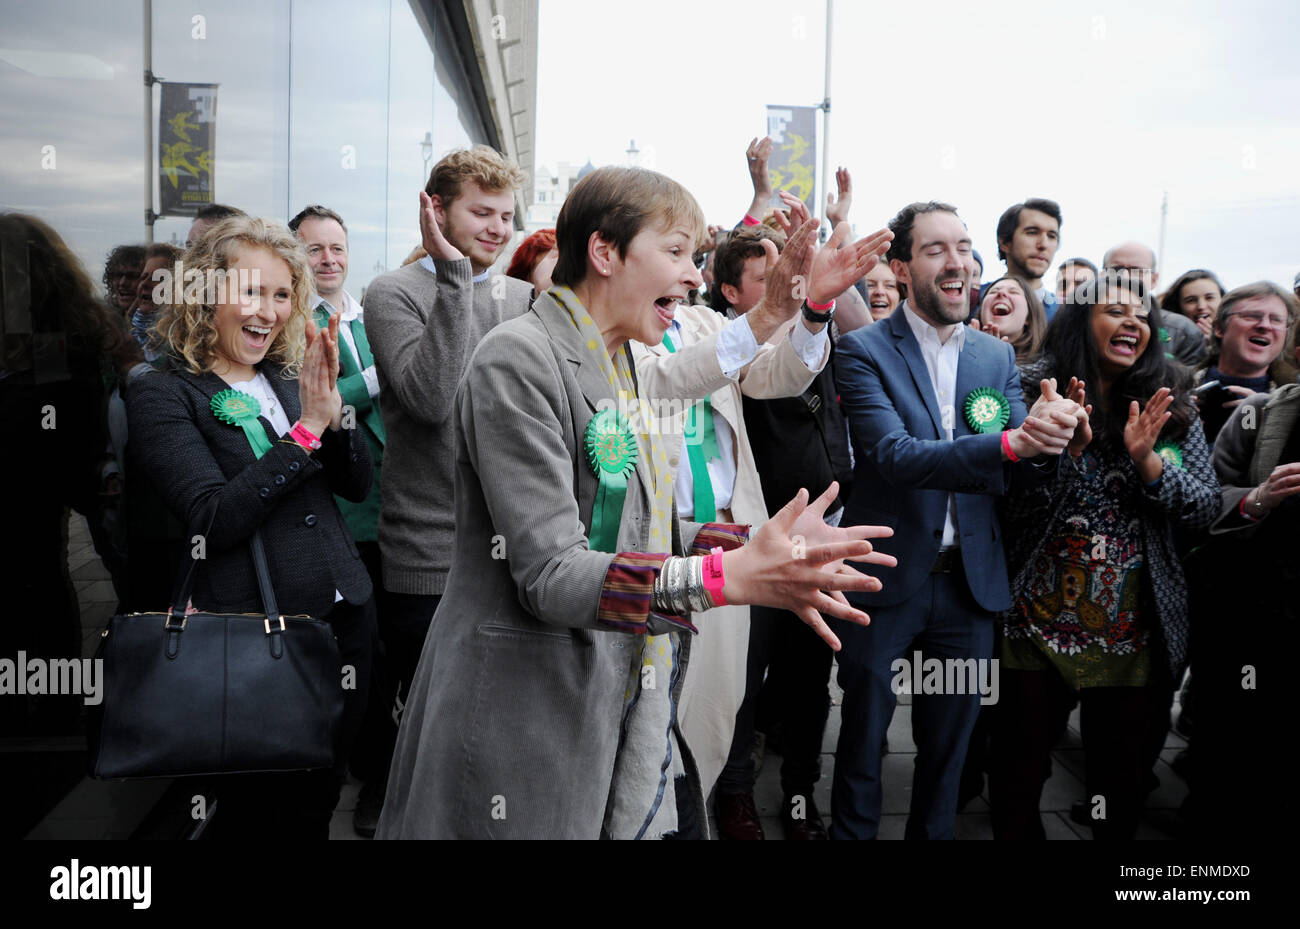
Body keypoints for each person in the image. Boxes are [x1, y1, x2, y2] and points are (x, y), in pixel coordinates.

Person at [375, 165, 896, 839]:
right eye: (676, 252)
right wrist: (723, 576)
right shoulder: (518, 358)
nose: (691, 274)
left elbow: (643, 504)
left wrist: (755, 549)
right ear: (604, 252)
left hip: (607, 688)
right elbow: (551, 574)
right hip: (520, 707)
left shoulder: (617, 359)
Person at [830, 200, 1083, 840]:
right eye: (936, 248)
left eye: (965, 247)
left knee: (948, 754)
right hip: (882, 579)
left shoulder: (995, 361)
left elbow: (1017, 475)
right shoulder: (862, 351)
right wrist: (1010, 445)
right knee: (861, 742)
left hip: (969, 588)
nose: (957, 262)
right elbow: (894, 457)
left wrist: (1057, 444)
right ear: (901, 265)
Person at [126, 215, 374, 838]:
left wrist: (333, 414)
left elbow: (356, 485)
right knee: (259, 815)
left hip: (343, 619)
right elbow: (213, 517)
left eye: (282, 293)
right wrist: (306, 432)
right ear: (207, 293)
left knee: (319, 797)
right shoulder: (161, 391)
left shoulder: (287, 375)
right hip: (255, 636)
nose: (268, 309)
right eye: (251, 291)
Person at [657, 212, 889, 839]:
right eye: (676, 251)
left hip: (759, 538)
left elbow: (778, 374)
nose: (690, 269)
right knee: (692, 697)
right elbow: (673, 382)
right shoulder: (632, 339)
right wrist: (783, 309)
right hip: (673, 551)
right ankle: (710, 801)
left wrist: (814, 309)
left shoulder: (702, 323)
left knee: (769, 682)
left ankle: (762, 797)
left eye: (692, 254)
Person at [990, 271, 1220, 839]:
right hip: (1033, 628)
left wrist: (1149, 463)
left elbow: (1204, 509)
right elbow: (1002, 509)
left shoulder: (1175, 407)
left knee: (1117, 783)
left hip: (1132, 637)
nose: (1133, 322)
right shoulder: (1029, 394)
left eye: (1142, 314)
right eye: (1115, 310)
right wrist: (1059, 458)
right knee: (1017, 772)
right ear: (1079, 323)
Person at [363, 146, 533, 778]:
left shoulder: (525, 299)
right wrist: (455, 277)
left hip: (516, 552)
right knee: (432, 734)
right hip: (430, 556)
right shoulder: (393, 294)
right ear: (435, 212)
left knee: (494, 736)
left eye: (505, 216)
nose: (496, 228)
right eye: (480, 212)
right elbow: (433, 401)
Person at [289, 203, 392, 837]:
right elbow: (316, 399)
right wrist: (376, 381)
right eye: (314, 249)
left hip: (390, 504)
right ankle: (354, 765)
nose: (328, 259)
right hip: (334, 513)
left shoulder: (372, 318)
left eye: (336, 247)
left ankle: (375, 766)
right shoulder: (289, 324)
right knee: (353, 654)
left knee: (382, 653)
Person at [1192, 377, 1300, 837]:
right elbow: (1204, 499)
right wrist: (1259, 499)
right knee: (1234, 748)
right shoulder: (1262, 412)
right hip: (1248, 615)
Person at [1191, 281, 1296, 443]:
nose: (1265, 325)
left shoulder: (1294, 400)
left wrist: (1270, 425)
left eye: (1276, 320)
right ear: (1219, 328)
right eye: (1252, 316)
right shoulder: (1177, 386)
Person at [1102, 241, 1204, 367]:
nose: (1125, 277)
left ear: (1154, 280)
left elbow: (1189, 383)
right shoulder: (1084, 322)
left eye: (1136, 271)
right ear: (1102, 275)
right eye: (1116, 269)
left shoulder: (1183, 331)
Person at [992, 198, 1062, 319]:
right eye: (1032, 232)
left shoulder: (1064, 314)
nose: (1043, 244)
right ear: (1004, 242)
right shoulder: (971, 302)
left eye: (1051, 236)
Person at [976, 274, 1047, 362]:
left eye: (1014, 292)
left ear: (1028, 317)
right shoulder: (959, 352)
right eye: (993, 291)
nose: (1001, 293)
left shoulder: (1046, 368)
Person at [1161, 268, 1225, 344]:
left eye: (1209, 298)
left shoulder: (1237, 336)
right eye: (1191, 300)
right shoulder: (1164, 338)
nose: (1201, 306)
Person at [102, 244, 146, 317]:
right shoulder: (103, 321)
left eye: (132, 276)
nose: (123, 283)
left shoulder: (163, 325)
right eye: (117, 275)